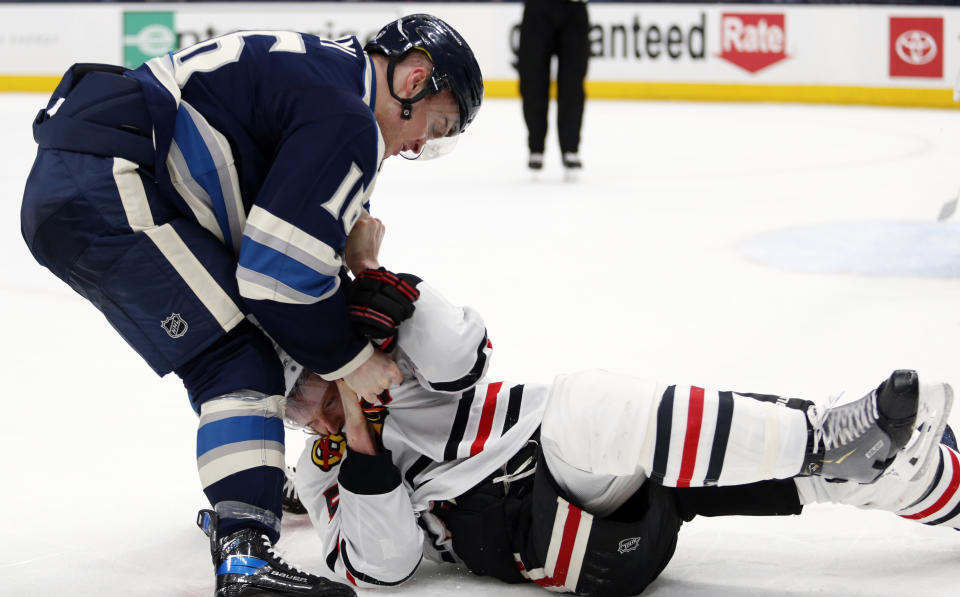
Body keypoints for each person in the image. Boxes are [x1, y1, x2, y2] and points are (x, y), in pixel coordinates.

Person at [19, 14, 483, 597]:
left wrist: (323, 325)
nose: (419, 146)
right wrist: (349, 359)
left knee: (232, 351)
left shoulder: (326, 78)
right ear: (414, 80)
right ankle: (244, 555)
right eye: (436, 128)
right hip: (109, 183)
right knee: (234, 363)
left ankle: (247, 491)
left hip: (92, 177)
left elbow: (264, 269)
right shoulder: (349, 118)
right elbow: (275, 281)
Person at [283, 213, 957, 595]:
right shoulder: (325, 464)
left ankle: (928, 484)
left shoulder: (393, 348)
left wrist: (377, 281)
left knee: (786, 464)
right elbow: (382, 563)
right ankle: (824, 437)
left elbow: (466, 350)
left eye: (309, 390)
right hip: (549, 535)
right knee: (586, 405)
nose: (313, 416)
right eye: (296, 411)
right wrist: (364, 444)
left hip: (613, 484)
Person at [518, 0, 590, 179]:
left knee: (572, 83)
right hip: (538, 8)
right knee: (533, 79)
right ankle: (535, 146)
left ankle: (570, 148)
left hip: (575, 8)